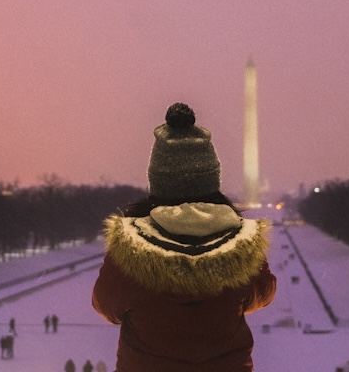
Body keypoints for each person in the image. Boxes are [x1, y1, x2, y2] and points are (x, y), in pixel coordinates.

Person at [92, 103, 276, 372]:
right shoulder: (241, 244)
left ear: (157, 182)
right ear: (212, 182)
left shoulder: (130, 248)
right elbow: (263, 293)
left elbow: (106, 306)